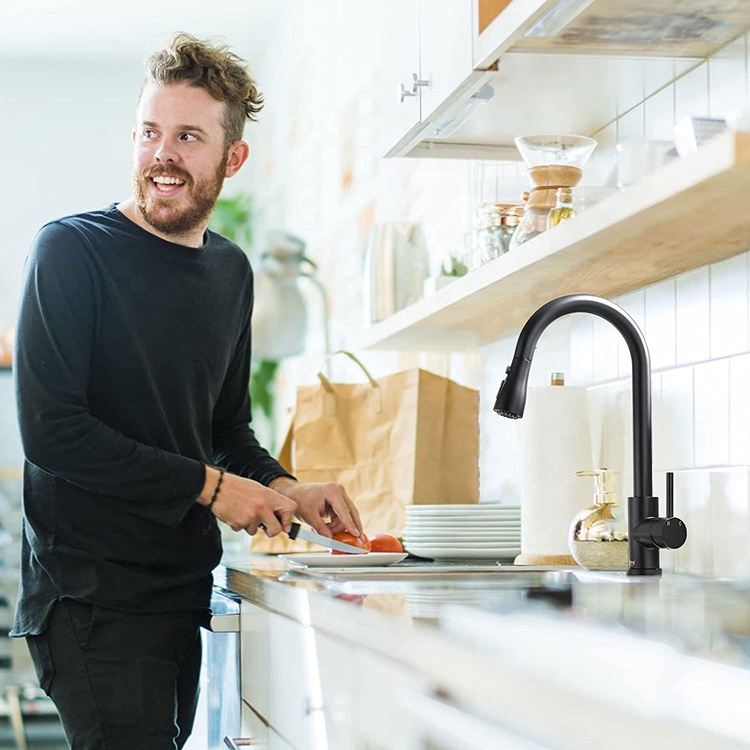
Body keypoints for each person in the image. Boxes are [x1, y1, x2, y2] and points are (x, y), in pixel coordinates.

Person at [11, 32, 363, 750]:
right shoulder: (71, 250)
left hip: (178, 592)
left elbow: (226, 429)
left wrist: (286, 485)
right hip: (90, 600)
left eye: (187, 136)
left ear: (231, 158)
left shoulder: (230, 273)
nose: (162, 154)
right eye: (150, 132)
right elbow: (53, 432)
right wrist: (212, 490)